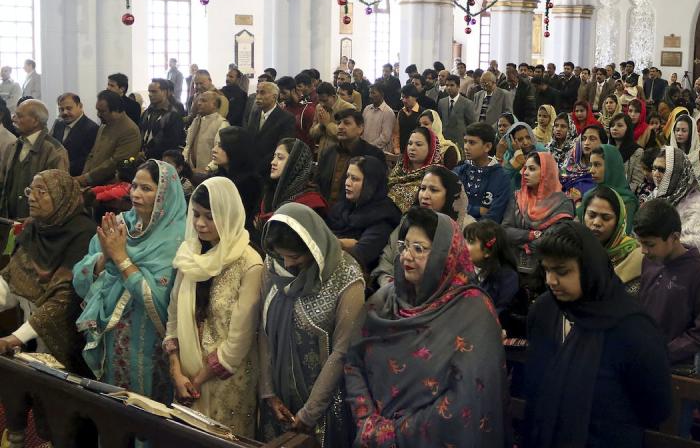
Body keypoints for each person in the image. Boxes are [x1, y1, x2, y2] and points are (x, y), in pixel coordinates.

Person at [345, 208, 507, 446]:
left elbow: (466, 400)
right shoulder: (384, 301)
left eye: (418, 249)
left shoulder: (473, 312)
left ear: (445, 255)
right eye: (404, 245)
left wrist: (394, 433)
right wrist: (366, 420)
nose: (406, 256)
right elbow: (353, 360)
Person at [524, 221, 672, 448]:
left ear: (589, 268)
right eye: (546, 269)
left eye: (562, 271)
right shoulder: (545, 311)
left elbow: (655, 408)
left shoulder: (632, 328)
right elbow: (535, 384)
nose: (551, 281)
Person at [73, 160, 187, 398]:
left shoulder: (179, 239)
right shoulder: (119, 224)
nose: (135, 193)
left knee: (146, 412)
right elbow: (80, 276)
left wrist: (121, 257)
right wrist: (105, 257)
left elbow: (160, 301)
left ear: (164, 193)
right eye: (134, 186)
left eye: (146, 188)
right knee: (113, 410)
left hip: (152, 343)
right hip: (112, 336)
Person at [259, 203, 365, 444]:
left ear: (313, 248)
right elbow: (264, 331)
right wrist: (268, 393)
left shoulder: (345, 276)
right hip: (278, 401)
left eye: (295, 256)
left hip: (323, 407)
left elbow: (342, 350)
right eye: (282, 255)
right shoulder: (273, 265)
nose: (287, 264)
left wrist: (309, 413)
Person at [164, 179, 263, 436]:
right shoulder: (189, 254)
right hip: (185, 376)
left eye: (210, 217)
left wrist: (196, 380)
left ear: (228, 214)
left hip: (226, 381)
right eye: (195, 214)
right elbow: (173, 316)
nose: (199, 224)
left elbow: (239, 340)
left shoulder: (249, 263)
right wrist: (176, 372)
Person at [0, 170, 95, 370]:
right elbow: (11, 280)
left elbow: (63, 299)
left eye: (41, 192)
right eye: (30, 190)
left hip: (63, 344)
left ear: (61, 196)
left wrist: (15, 338)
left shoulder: (84, 235)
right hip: (28, 338)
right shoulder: (35, 228)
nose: (31, 198)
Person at [634, 198, 700, 367]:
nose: (643, 251)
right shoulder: (649, 261)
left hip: (676, 366)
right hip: (642, 357)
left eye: (649, 244)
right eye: (640, 243)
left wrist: (662, 353)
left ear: (674, 237)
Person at [325, 155, 401, 273]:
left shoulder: (383, 216)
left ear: (371, 183)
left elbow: (362, 254)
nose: (347, 183)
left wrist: (335, 242)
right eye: (347, 177)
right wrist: (343, 243)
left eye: (354, 179)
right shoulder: (344, 207)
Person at [502, 151, 576, 269]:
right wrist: (531, 235)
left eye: (532, 169)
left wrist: (520, 241)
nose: (525, 173)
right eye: (525, 168)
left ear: (546, 172)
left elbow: (554, 242)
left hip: (547, 268)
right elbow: (505, 231)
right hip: (513, 265)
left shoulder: (562, 203)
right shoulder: (517, 197)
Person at [0, 100, 69, 220]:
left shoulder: (55, 151)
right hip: (9, 222)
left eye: (19, 116)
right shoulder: (12, 147)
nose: (13, 119)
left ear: (35, 121)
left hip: (37, 226)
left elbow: (59, 195)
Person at [580, 185, 645, 294]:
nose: (596, 223)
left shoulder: (636, 257)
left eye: (606, 218)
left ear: (619, 221)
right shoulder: (574, 250)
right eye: (591, 215)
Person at [316, 108, 386, 203]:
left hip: (355, 213)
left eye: (347, 123)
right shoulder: (329, 152)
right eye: (338, 123)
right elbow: (317, 183)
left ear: (360, 128)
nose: (340, 127)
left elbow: (376, 191)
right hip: (325, 210)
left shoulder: (373, 155)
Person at [650, 146, 700, 254]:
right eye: (654, 168)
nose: (655, 174)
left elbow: (693, 244)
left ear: (676, 172)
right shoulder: (656, 194)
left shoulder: (694, 202)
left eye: (662, 170)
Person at [257, 138, 326, 226]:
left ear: (295, 164)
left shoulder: (310, 203)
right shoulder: (270, 193)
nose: (273, 162)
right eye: (274, 157)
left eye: (280, 158)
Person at [453, 122, 513, 223]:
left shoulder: (501, 177)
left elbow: (494, 216)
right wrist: (477, 210)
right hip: (455, 229)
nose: (466, 147)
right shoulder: (459, 171)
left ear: (487, 147)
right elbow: (450, 204)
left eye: (472, 143)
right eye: (465, 141)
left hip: (483, 234)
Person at [210, 126, 262, 239]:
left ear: (235, 149)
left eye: (221, 146)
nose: (214, 149)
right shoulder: (217, 176)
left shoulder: (250, 182)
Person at [463, 220, 519, 316]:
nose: (463, 245)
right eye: (464, 240)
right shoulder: (462, 269)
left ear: (487, 252)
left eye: (470, 242)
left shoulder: (508, 277)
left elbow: (502, 311)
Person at [580, 143, 639, 229]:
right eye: (591, 165)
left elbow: (624, 235)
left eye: (597, 165)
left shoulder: (626, 201)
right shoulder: (589, 195)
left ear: (612, 167)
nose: (591, 170)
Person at [247, 81, 296, 178]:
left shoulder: (286, 118)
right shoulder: (255, 114)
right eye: (257, 92)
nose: (258, 96)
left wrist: (260, 166)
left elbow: (283, 147)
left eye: (262, 93)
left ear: (274, 97)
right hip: (252, 169)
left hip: (271, 169)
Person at [386, 126, 442, 210]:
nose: (412, 148)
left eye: (418, 144)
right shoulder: (400, 168)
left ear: (431, 148)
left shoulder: (436, 176)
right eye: (410, 143)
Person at [52, 93, 99, 177]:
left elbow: (86, 160)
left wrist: (61, 169)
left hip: (76, 178)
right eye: (61, 109)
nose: (65, 112)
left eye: (69, 108)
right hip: (56, 175)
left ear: (80, 106)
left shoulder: (91, 129)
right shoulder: (58, 124)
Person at [183, 90, 230, 173]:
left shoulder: (222, 124)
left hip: (210, 174)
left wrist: (208, 169)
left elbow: (221, 153)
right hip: (191, 171)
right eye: (199, 100)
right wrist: (184, 163)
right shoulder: (196, 121)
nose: (199, 103)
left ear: (214, 105)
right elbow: (188, 145)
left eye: (204, 101)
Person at [559, 124, 605, 203]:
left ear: (603, 143)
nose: (586, 143)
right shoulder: (570, 164)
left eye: (592, 139)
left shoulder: (602, 170)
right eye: (583, 139)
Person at [140, 78, 185, 160]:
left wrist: (148, 153)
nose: (150, 94)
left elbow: (172, 143)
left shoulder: (173, 115)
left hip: (162, 160)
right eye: (149, 91)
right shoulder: (147, 112)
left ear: (165, 92)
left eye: (154, 91)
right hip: (143, 158)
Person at [437, 74, 476, 151]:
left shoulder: (467, 103)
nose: (449, 88)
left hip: (460, 141)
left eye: (452, 85)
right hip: (444, 141)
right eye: (447, 85)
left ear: (458, 86)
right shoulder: (442, 102)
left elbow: (472, 124)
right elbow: (440, 121)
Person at [361, 83, 395, 154]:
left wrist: (369, 147)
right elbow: (361, 129)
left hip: (379, 152)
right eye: (369, 93)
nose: (370, 96)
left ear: (382, 94)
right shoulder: (367, 109)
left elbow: (385, 137)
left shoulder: (388, 112)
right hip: (365, 149)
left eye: (373, 93)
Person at [669, 112, 700, 176]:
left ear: (691, 133)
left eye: (684, 131)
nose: (679, 133)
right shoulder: (669, 154)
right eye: (677, 130)